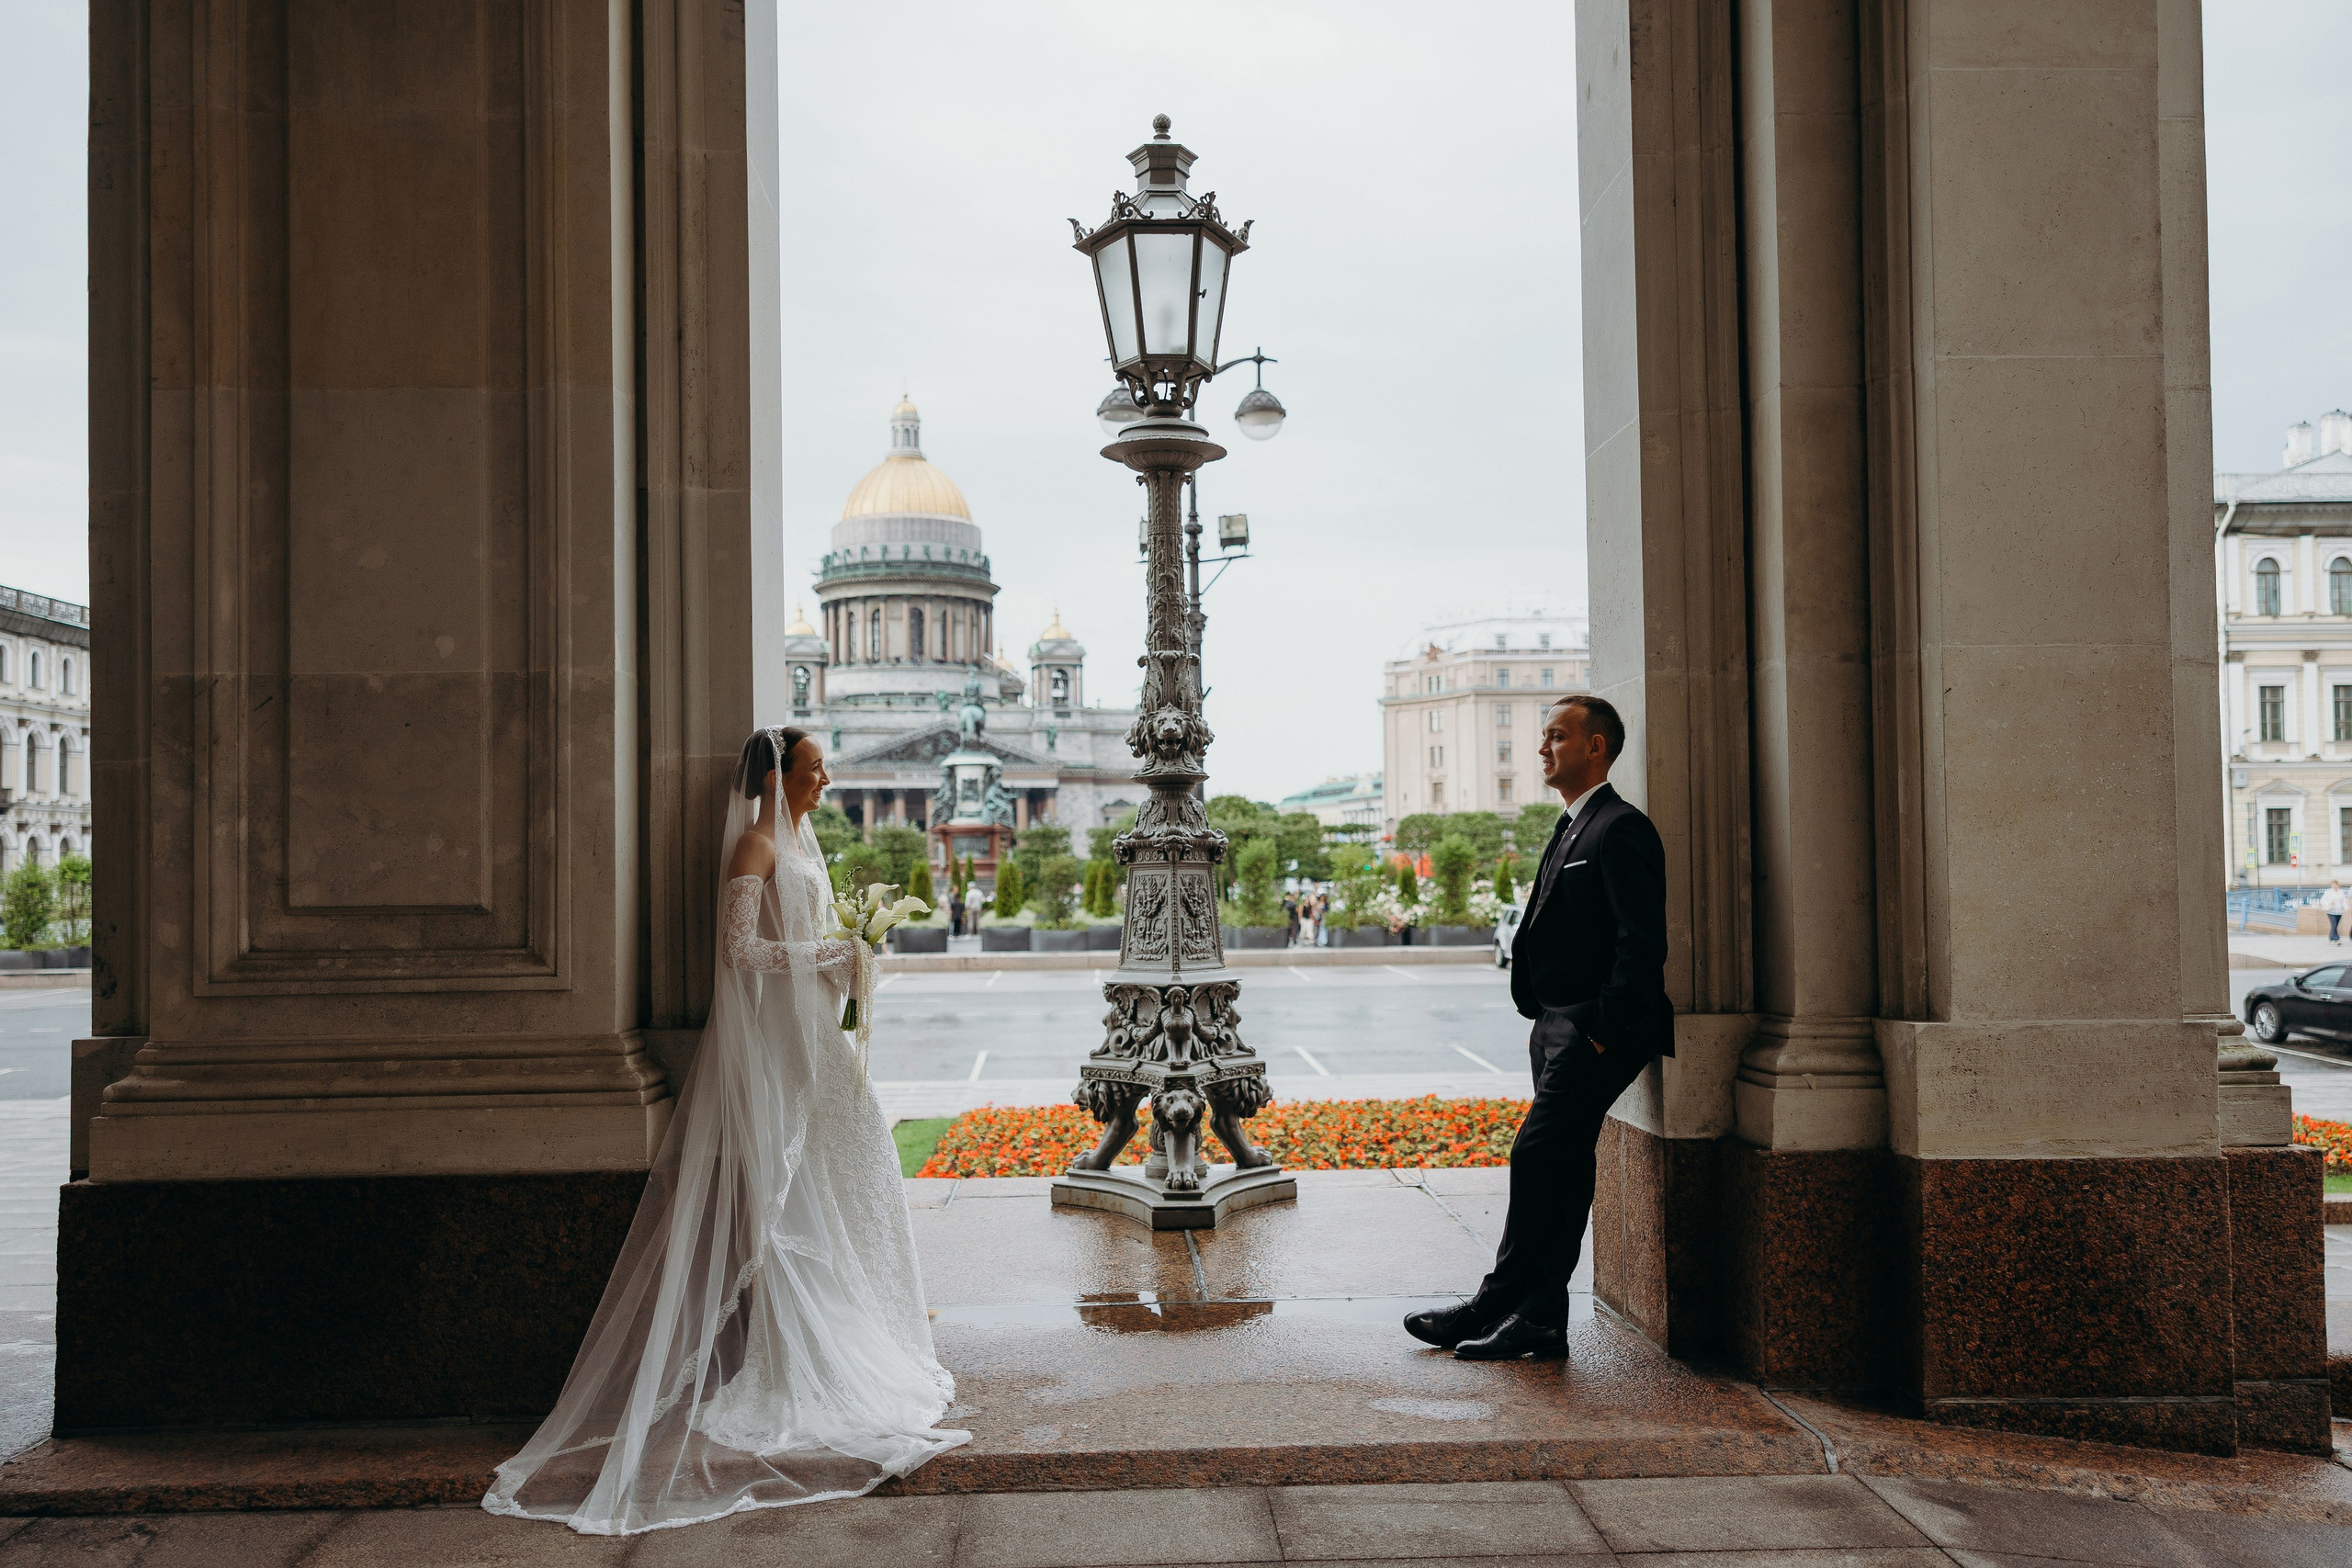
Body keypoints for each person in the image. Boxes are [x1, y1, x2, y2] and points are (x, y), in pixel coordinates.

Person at [485, 728, 967, 1533]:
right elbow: (740, 951)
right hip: (785, 1041)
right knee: (803, 1192)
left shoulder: (798, 840)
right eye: (814, 768)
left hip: (815, 1030)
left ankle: (863, 1330)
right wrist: (832, 951)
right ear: (778, 775)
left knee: (857, 1172)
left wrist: (845, 957)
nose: (826, 780)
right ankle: (807, 1358)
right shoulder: (753, 843)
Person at [1405, 694, 1670, 1360]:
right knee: (1564, 1166)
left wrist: (1601, 1031)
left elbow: (1643, 943)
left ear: (1595, 747)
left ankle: (1496, 1300)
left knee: (1535, 1153)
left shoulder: (1621, 827)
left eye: (1556, 736)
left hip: (1593, 1030)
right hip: (1555, 1024)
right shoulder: (1570, 825)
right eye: (1544, 736)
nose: (1543, 747)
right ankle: (1542, 1320)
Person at [2325, 881, 2346, 945]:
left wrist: (2345, 908)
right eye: (2333, 885)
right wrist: (2328, 903)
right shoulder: (2329, 892)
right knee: (2334, 924)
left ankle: (2331, 937)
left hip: (2339, 912)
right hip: (2331, 911)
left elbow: (2343, 901)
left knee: (2335, 925)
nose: (2334, 886)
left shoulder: (2341, 892)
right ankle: (2337, 939)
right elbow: (2324, 900)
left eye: (2335, 884)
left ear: (2337, 885)